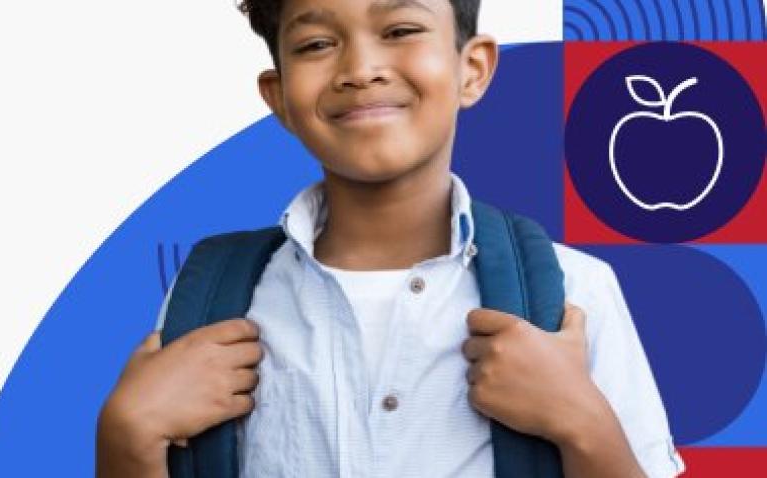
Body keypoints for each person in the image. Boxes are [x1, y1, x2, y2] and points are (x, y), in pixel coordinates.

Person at [96, 0, 685, 476]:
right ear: (278, 98)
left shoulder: (572, 292)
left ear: (471, 69)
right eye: (317, 44)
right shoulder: (214, 297)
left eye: (400, 28)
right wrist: (126, 439)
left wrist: (582, 422)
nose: (360, 68)